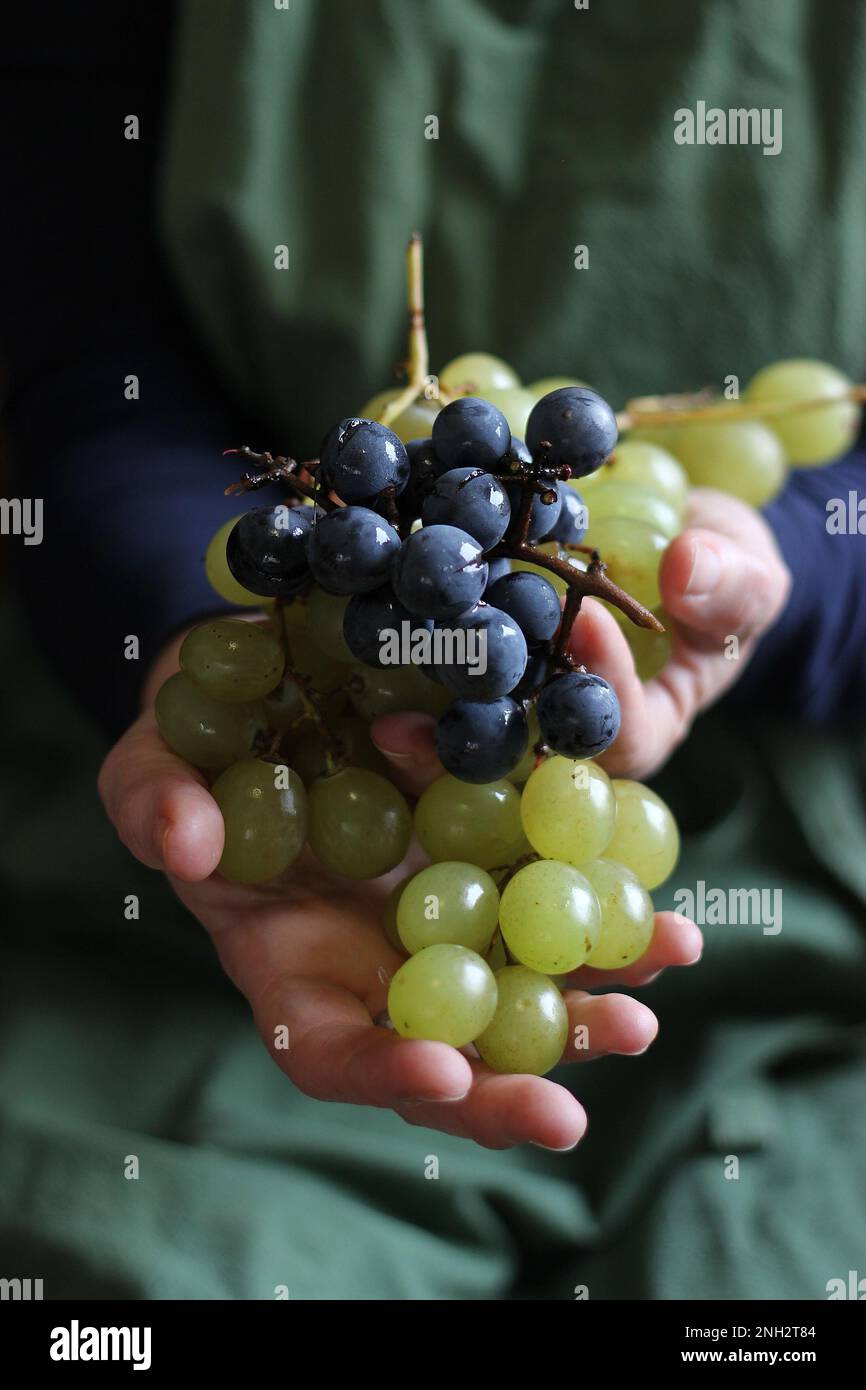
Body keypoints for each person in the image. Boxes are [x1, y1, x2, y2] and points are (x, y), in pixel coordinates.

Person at [1, 0, 864, 1299]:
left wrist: (797, 568)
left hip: (814, 920)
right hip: (243, 875)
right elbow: (84, 355)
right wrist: (189, 625)